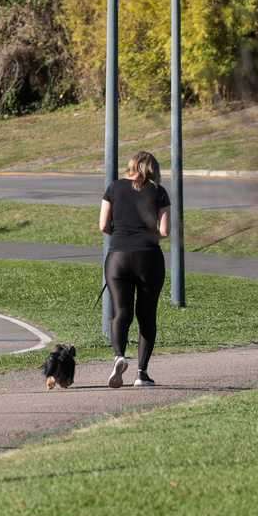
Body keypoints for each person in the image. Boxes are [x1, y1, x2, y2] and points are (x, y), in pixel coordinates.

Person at [100, 150, 171, 388]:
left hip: (117, 257)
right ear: (154, 170)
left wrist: (121, 235)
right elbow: (164, 231)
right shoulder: (159, 192)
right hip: (148, 258)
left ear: (131, 166)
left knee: (121, 312)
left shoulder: (114, 188)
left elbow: (103, 225)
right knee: (146, 315)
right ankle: (142, 373)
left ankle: (119, 356)